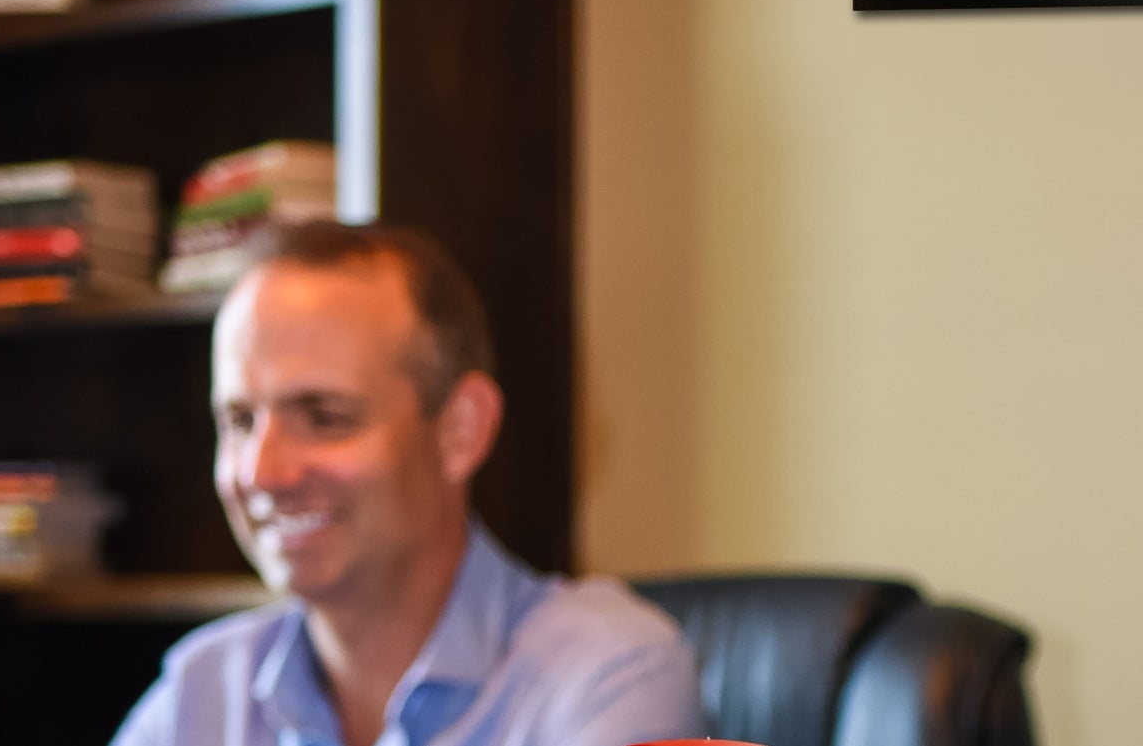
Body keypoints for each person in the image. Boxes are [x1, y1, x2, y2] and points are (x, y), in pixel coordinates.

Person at [111, 221, 703, 746]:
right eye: (240, 421)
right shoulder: (204, 689)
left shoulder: (606, 673)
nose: (261, 474)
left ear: (460, 431)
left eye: (324, 417)